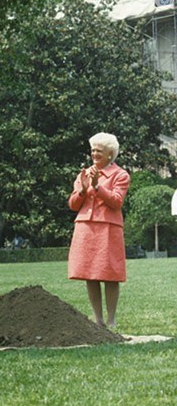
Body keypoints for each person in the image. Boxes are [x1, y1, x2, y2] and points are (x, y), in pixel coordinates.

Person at [68, 132, 130, 328]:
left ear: (110, 153)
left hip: (108, 229)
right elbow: (72, 205)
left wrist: (96, 187)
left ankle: (111, 320)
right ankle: (98, 320)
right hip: (85, 228)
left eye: (99, 151)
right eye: (93, 150)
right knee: (90, 274)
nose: (94, 154)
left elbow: (116, 202)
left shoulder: (121, 175)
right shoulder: (83, 174)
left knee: (110, 274)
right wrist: (82, 189)